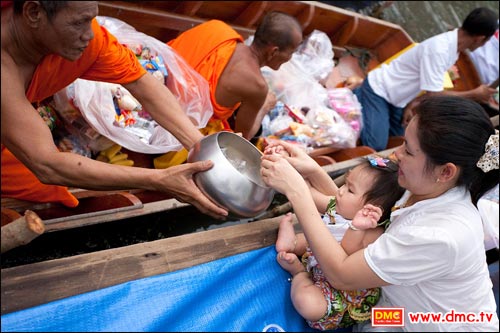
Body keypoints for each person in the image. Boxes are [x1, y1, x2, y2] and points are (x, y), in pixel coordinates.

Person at [261, 95, 499, 331]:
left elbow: (342, 274)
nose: (396, 155)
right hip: (406, 313)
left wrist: (298, 192)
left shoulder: (441, 235)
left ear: (446, 172)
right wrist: (313, 170)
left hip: (425, 323)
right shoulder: (425, 188)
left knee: (317, 305)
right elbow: (351, 208)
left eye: (408, 150)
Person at [0, 1, 228, 219]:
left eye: (92, 19)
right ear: (33, 12)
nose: (88, 34)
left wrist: (202, 147)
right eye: (78, 23)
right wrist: (159, 179)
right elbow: (47, 164)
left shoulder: (88, 40)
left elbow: (140, 81)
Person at [266, 146, 404, 330]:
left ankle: (298, 272)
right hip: (320, 262)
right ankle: (291, 242)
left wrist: (356, 227)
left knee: (307, 304)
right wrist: (285, 165)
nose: (340, 190)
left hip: (336, 291)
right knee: (304, 240)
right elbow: (309, 194)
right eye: (345, 183)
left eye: (350, 190)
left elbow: (344, 255)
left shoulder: (372, 233)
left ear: (372, 207)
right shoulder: (340, 206)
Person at [350, 7, 498, 151]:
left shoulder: (454, 48)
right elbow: (434, 95)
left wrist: (412, 103)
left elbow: (426, 85)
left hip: (399, 98)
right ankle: (358, 94)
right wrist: (474, 94)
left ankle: (372, 110)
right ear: (480, 39)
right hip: (379, 89)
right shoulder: (440, 49)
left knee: (403, 139)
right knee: (376, 145)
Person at [167, 11, 303, 141]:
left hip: (156, 88)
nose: (291, 58)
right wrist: (264, 107)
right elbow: (243, 137)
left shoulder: (218, 29)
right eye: (292, 52)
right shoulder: (257, 86)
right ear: (273, 52)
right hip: (174, 134)